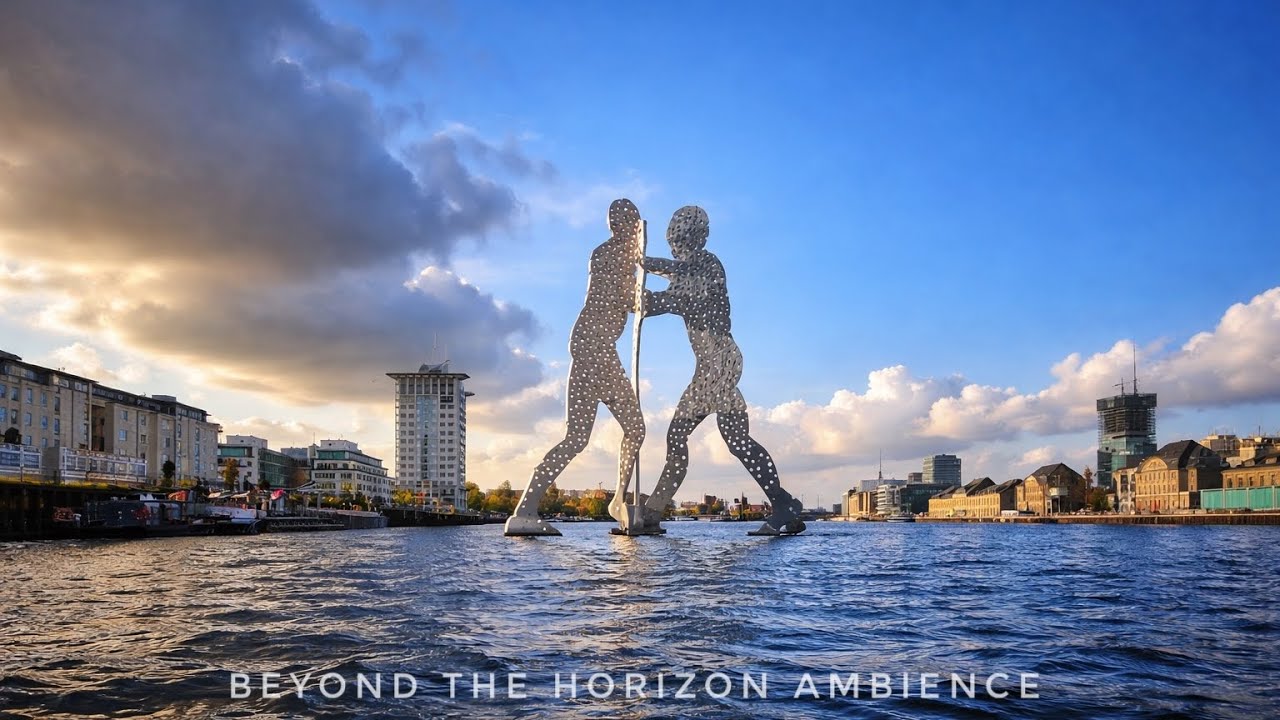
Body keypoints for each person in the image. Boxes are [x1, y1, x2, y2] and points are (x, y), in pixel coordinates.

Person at [640, 206, 804, 535]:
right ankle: (784, 503)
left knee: (677, 436)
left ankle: (653, 513)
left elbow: (664, 299)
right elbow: (671, 272)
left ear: (686, 239)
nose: (675, 249)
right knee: (737, 439)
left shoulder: (703, 267)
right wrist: (641, 262)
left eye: (676, 241)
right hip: (720, 362)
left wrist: (635, 284)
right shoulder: (693, 267)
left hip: (718, 364)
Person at [505, 199, 648, 536]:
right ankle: (616, 500)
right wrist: (664, 296)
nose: (634, 230)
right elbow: (627, 299)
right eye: (631, 224)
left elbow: (630, 299)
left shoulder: (619, 256)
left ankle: (526, 509)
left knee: (577, 438)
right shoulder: (611, 255)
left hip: (593, 348)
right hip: (595, 350)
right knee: (633, 429)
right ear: (623, 226)